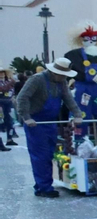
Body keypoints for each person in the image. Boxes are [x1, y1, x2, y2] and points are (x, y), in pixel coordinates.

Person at [17, 58, 81, 197]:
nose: (64, 77)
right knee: (41, 155)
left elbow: (68, 98)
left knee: (49, 154)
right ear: (54, 72)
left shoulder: (61, 82)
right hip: (36, 122)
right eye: (62, 75)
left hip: (50, 122)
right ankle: (45, 188)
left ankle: (40, 185)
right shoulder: (37, 80)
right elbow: (22, 98)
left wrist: (77, 114)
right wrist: (26, 117)